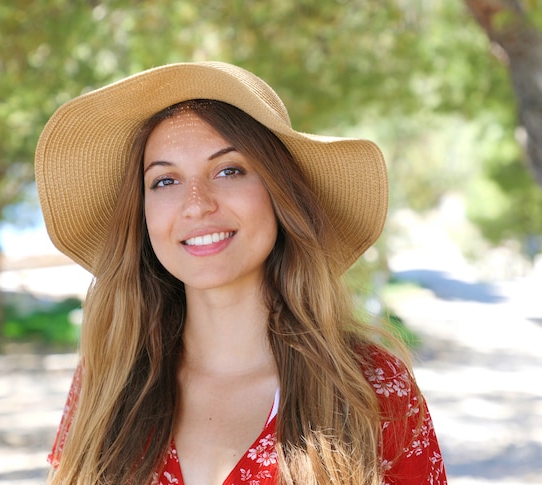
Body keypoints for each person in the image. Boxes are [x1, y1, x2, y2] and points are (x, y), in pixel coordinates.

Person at [35, 61, 447, 485]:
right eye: (164, 181)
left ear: (279, 194)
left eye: (229, 170)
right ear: (142, 216)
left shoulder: (372, 388)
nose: (196, 203)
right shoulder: (108, 378)